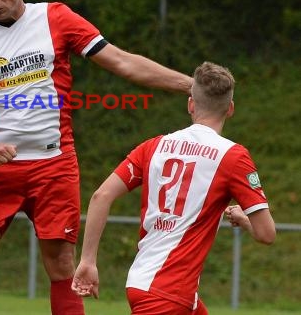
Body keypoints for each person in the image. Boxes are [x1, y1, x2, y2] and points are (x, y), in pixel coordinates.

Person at [0, 0, 194, 315]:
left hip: (54, 162)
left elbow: (121, 61)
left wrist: (191, 85)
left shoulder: (55, 18)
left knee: (62, 263)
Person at [72, 61, 276, 314]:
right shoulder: (233, 157)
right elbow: (266, 233)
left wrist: (88, 260)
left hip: (149, 284)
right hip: (168, 292)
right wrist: (244, 219)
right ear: (230, 109)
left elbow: (101, 196)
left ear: (191, 104)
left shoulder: (154, 146)